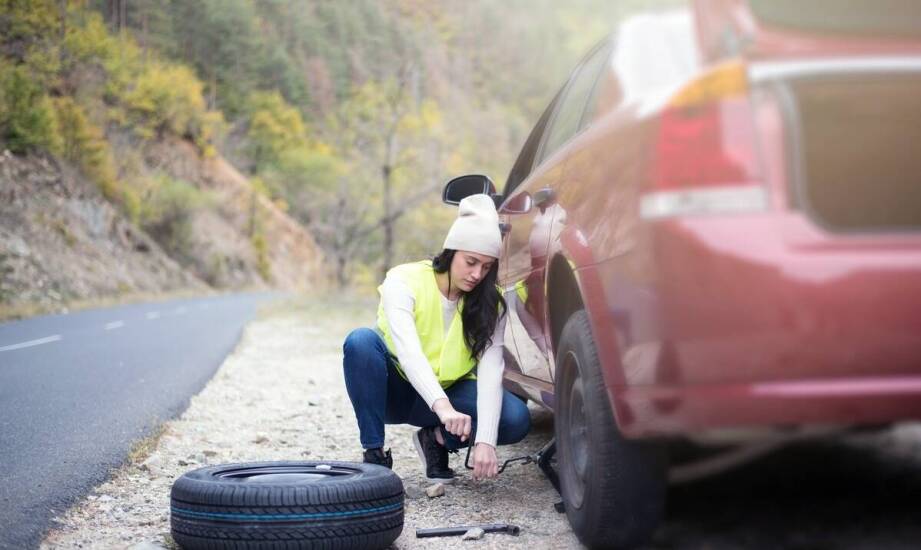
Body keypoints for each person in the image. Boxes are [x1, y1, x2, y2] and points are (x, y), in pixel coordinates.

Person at [342, 194, 531, 482]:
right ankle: (374, 455)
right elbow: (409, 352)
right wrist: (442, 408)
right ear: (451, 251)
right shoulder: (403, 280)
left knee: (516, 419)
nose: (477, 274)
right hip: (397, 392)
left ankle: (436, 441)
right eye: (470, 262)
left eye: (486, 266)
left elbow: (492, 368)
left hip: (451, 394)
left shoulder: (489, 303)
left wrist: (486, 440)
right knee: (360, 341)